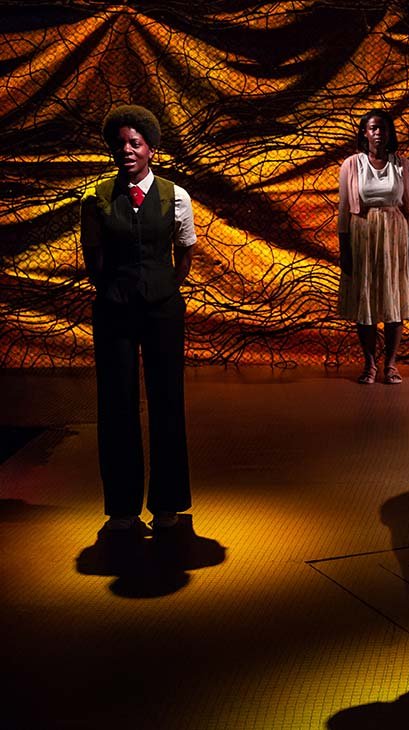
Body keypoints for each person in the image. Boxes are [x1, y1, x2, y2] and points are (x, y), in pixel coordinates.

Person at [80, 104, 196, 535]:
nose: (126, 150)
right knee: (116, 404)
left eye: (135, 143)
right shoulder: (95, 196)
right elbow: (94, 255)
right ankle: (122, 510)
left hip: (162, 310)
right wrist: (112, 288)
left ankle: (168, 505)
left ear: (151, 149)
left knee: (167, 401)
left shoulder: (174, 195)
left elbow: (184, 249)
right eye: (120, 143)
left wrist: (165, 285)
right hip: (114, 310)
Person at [337, 110, 409, 384]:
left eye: (383, 128)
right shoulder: (351, 165)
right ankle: (369, 364)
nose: (378, 133)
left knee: (393, 299)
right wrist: (345, 249)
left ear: (389, 133)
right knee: (366, 300)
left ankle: (391, 364)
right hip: (363, 235)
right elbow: (343, 211)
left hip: (394, 235)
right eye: (373, 128)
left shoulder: (402, 165)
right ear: (364, 132)